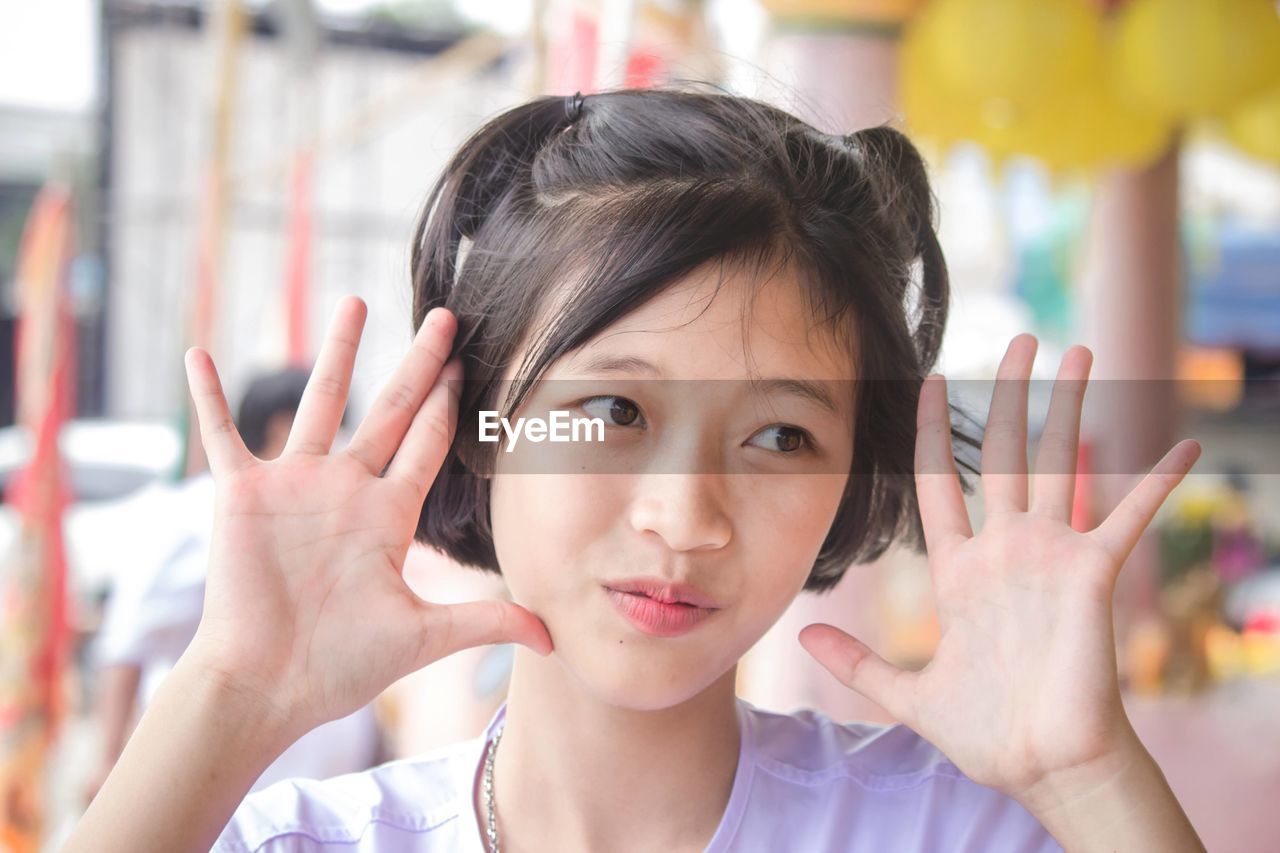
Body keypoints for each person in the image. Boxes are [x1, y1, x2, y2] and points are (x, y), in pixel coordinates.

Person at [65, 89, 1206, 852]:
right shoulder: (309, 842)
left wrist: (1085, 777)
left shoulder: (951, 830)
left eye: (778, 437)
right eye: (610, 409)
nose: (686, 517)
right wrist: (230, 696)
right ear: (476, 425)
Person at [83, 368, 383, 805]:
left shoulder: (333, 518)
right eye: (341, 427)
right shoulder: (196, 514)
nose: (345, 444)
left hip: (327, 800)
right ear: (286, 426)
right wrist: (108, 763)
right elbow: (128, 642)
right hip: (229, 799)